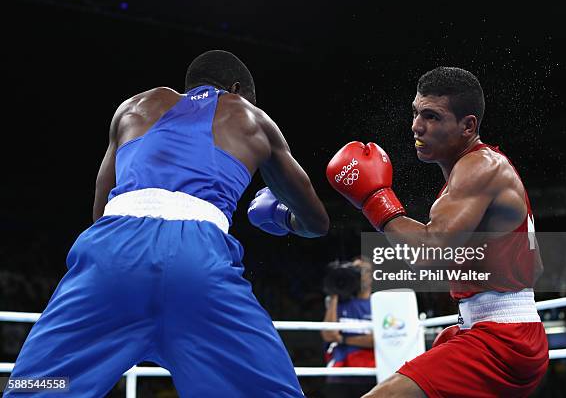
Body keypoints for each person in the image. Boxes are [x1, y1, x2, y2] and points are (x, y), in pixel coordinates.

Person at [5, 50, 329, 397]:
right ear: (237, 91)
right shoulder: (251, 117)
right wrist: (281, 216)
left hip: (112, 254)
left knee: (37, 388)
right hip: (197, 262)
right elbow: (317, 222)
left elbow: (101, 212)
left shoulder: (132, 108)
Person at [326, 67, 548, 397]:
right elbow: (537, 266)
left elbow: (430, 251)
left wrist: (376, 201)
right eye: (416, 112)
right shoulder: (477, 171)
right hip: (494, 331)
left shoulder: (480, 167)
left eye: (432, 116)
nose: (417, 126)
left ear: (468, 125)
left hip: (502, 339)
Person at [321, 257, 376, 398]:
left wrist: (342, 339)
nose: (358, 274)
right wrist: (334, 292)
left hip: (370, 373)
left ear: (372, 275)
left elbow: (377, 340)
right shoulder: (338, 304)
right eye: (355, 270)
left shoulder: (379, 303)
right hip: (340, 373)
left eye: (362, 270)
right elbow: (328, 335)